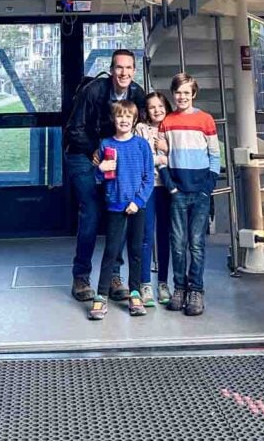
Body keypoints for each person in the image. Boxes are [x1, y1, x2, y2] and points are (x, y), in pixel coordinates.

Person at [63, 49, 146, 303]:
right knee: (91, 211)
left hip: (114, 155)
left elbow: (138, 127)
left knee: (118, 210)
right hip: (83, 153)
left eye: (129, 68)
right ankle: (81, 276)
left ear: (134, 70)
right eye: (119, 68)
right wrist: (94, 152)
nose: (124, 73)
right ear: (112, 70)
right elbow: (73, 129)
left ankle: (114, 276)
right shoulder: (94, 91)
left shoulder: (137, 93)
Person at [159, 72, 220, 316]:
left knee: (196, 244)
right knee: (177, 244)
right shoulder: (167, 122)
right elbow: (162, 157)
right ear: (172, 94)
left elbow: (215, 155)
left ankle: (196, 290)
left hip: (200, 193)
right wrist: (171, 185)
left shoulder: (206, 120)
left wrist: (207, 187)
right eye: (178, 92)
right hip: (178, 191)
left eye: (186, 92)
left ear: (193, 94)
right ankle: (179, 288)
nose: (182, 96)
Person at [88, 100, 154, 321]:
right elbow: (99, 178)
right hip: (115, 205)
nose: (124, 120)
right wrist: (99, 169)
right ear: (113, 119)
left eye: (128, 116)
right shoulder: (106, 144)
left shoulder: (142, 145)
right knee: (111, 252)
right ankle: (101, 295)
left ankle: (135, 293)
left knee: (135, 251)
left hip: (137, 207)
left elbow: (149, 178)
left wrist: (138, 200)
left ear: (134, 120)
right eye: (120, 116)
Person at [135, 91, 173, 306]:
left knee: (165, 235)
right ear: (146, 111)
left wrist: (166, 151)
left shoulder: (173, 128)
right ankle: (145, 283)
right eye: (152, 107)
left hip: (167, 188)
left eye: (160, 106)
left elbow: (179, 156)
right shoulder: (141, 128)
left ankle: (163, 282)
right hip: (148, 187)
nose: (157, 110)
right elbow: (142, 158)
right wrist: (161, 156)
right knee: (146, 234)